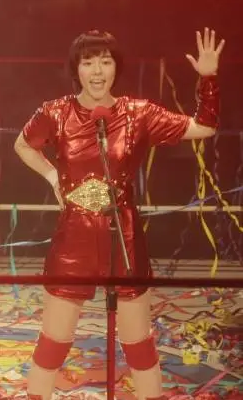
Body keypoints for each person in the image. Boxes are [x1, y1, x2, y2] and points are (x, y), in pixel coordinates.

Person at [13, 28, 224, 400]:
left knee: (139, 346)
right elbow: (23, 144)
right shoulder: (55, 112)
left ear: (116, 68)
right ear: (76, 69)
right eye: (88, 62)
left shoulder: (138, 113)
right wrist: (53, 176)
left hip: (123, 237)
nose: (97, 71)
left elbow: (204, 127)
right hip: (74, 238)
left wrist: (208, 79)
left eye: (105, 62)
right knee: (53, 344)